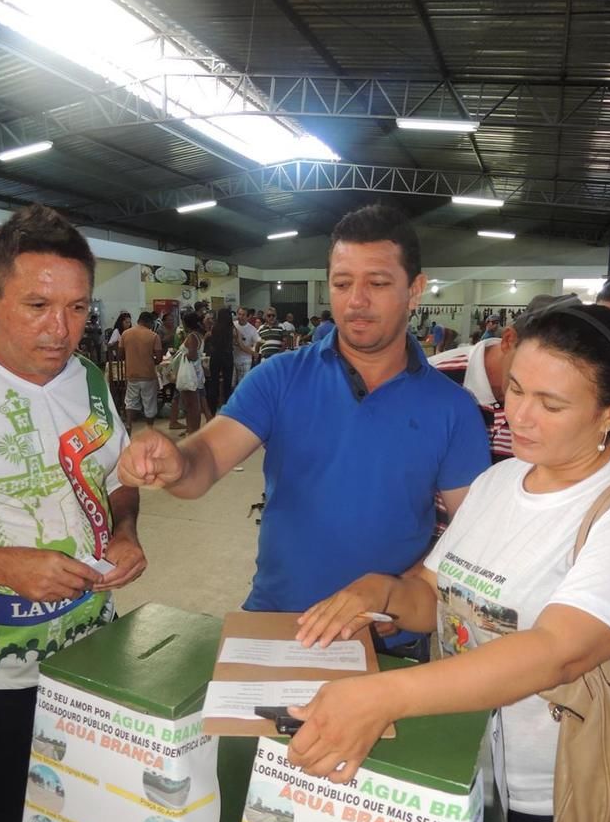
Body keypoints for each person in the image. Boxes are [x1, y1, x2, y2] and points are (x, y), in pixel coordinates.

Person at [290, 303, 610, 822]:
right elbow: (436, 596)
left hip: (568, 793)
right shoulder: (502, 481)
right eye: (514, 388)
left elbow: (559, 649)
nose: (518, 415)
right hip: (463, 766)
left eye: (551, 404)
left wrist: (382, 695)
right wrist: (383, 592)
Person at [118, 203, 490, 654]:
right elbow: (207, 460)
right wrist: (174, 463)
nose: (356, 301)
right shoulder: (279, 377)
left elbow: (472, 533)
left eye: (377, 283)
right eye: (342, 283)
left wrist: (402, 594)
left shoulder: (452, 408)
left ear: (414, 290)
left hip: (386, 639)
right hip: (277, 623)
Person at [0, 204, 146, 822]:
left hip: (88, 658)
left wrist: (126, 529)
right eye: (36, 304)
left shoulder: (87, 379)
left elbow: (116, 477)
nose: (60, 329)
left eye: (78, 307)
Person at [119, 310, 163, 434]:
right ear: (149, 322)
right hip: (148, 374)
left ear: (139, 320)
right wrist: (149, 360)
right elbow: (159, 358)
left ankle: (128, 424)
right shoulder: (153, 336)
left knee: (130, 401)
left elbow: (120, 354)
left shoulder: (125, 334)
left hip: (131, 374)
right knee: (149, 403)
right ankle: (149, 429)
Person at [206, 307, 234, 416]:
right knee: (227, 383)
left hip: (215, 356)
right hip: (227, 356)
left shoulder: (215, 328)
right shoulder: (231, 328)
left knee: (214, 382)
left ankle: (212, 409)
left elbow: (210, 341)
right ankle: (228, 410)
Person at [233, 306, 261, 384]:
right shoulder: (233, 325)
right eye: (239, 314)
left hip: (245, 360)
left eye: (243, 315)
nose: (240, 317)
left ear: (248, 316)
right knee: (231, 384)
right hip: (232, 358)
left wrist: (255, 352)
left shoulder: (252, 329)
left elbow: (257, 342)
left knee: (242, 384)